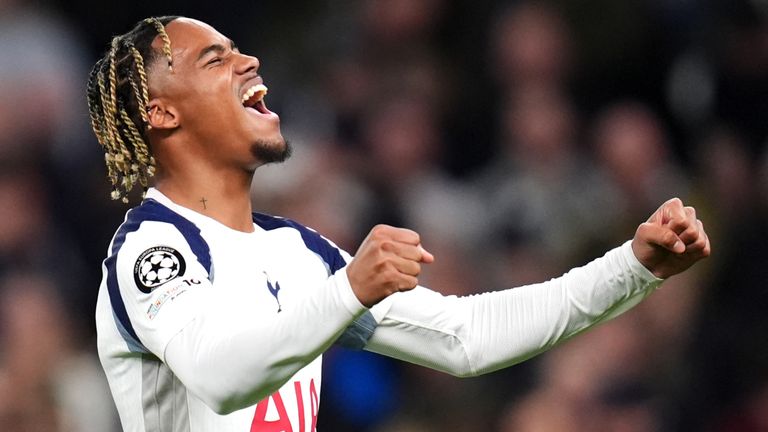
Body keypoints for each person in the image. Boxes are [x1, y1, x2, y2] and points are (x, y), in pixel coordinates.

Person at [89, 16, 710, 432]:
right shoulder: (152, 247)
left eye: (238, 50)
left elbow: (467, 337)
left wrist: (633, 268)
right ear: (161, 112)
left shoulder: (297, 252)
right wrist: (349, 289)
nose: (248, 61)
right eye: (214, 60)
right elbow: (221, 379)